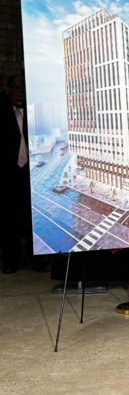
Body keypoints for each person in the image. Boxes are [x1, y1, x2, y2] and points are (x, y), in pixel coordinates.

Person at [0, 74, 47, 274]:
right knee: (7, 215)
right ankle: (10, 260)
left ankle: (38, 260)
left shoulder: (34, 107)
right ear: (8, 91)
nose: (20, 102)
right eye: (16, 99)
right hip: (5, 170)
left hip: (31, 169)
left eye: (22, 99)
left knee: (32, 215)